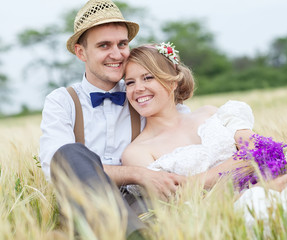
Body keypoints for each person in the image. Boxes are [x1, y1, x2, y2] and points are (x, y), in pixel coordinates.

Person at [121, 43, 287, 222]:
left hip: (276, 179)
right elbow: (177, 208)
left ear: (172, 82)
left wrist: (200, 179)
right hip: (231, 212)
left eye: (148, 77)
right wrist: (246, 178)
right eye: (130, 82)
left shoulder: (211, 114)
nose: (138, 88)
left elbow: (260, 148)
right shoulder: (137, 153)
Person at [39, 0, 185, 238]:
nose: (117, 54)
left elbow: (184, 126)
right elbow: (57, 169)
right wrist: (137, 173)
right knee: (68, 155)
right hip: (88, 210)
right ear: (81, 52)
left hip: (146, 208)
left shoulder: (142, 93)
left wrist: (235, 125)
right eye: (104, 45)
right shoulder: (61, 101)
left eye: (122, 44)